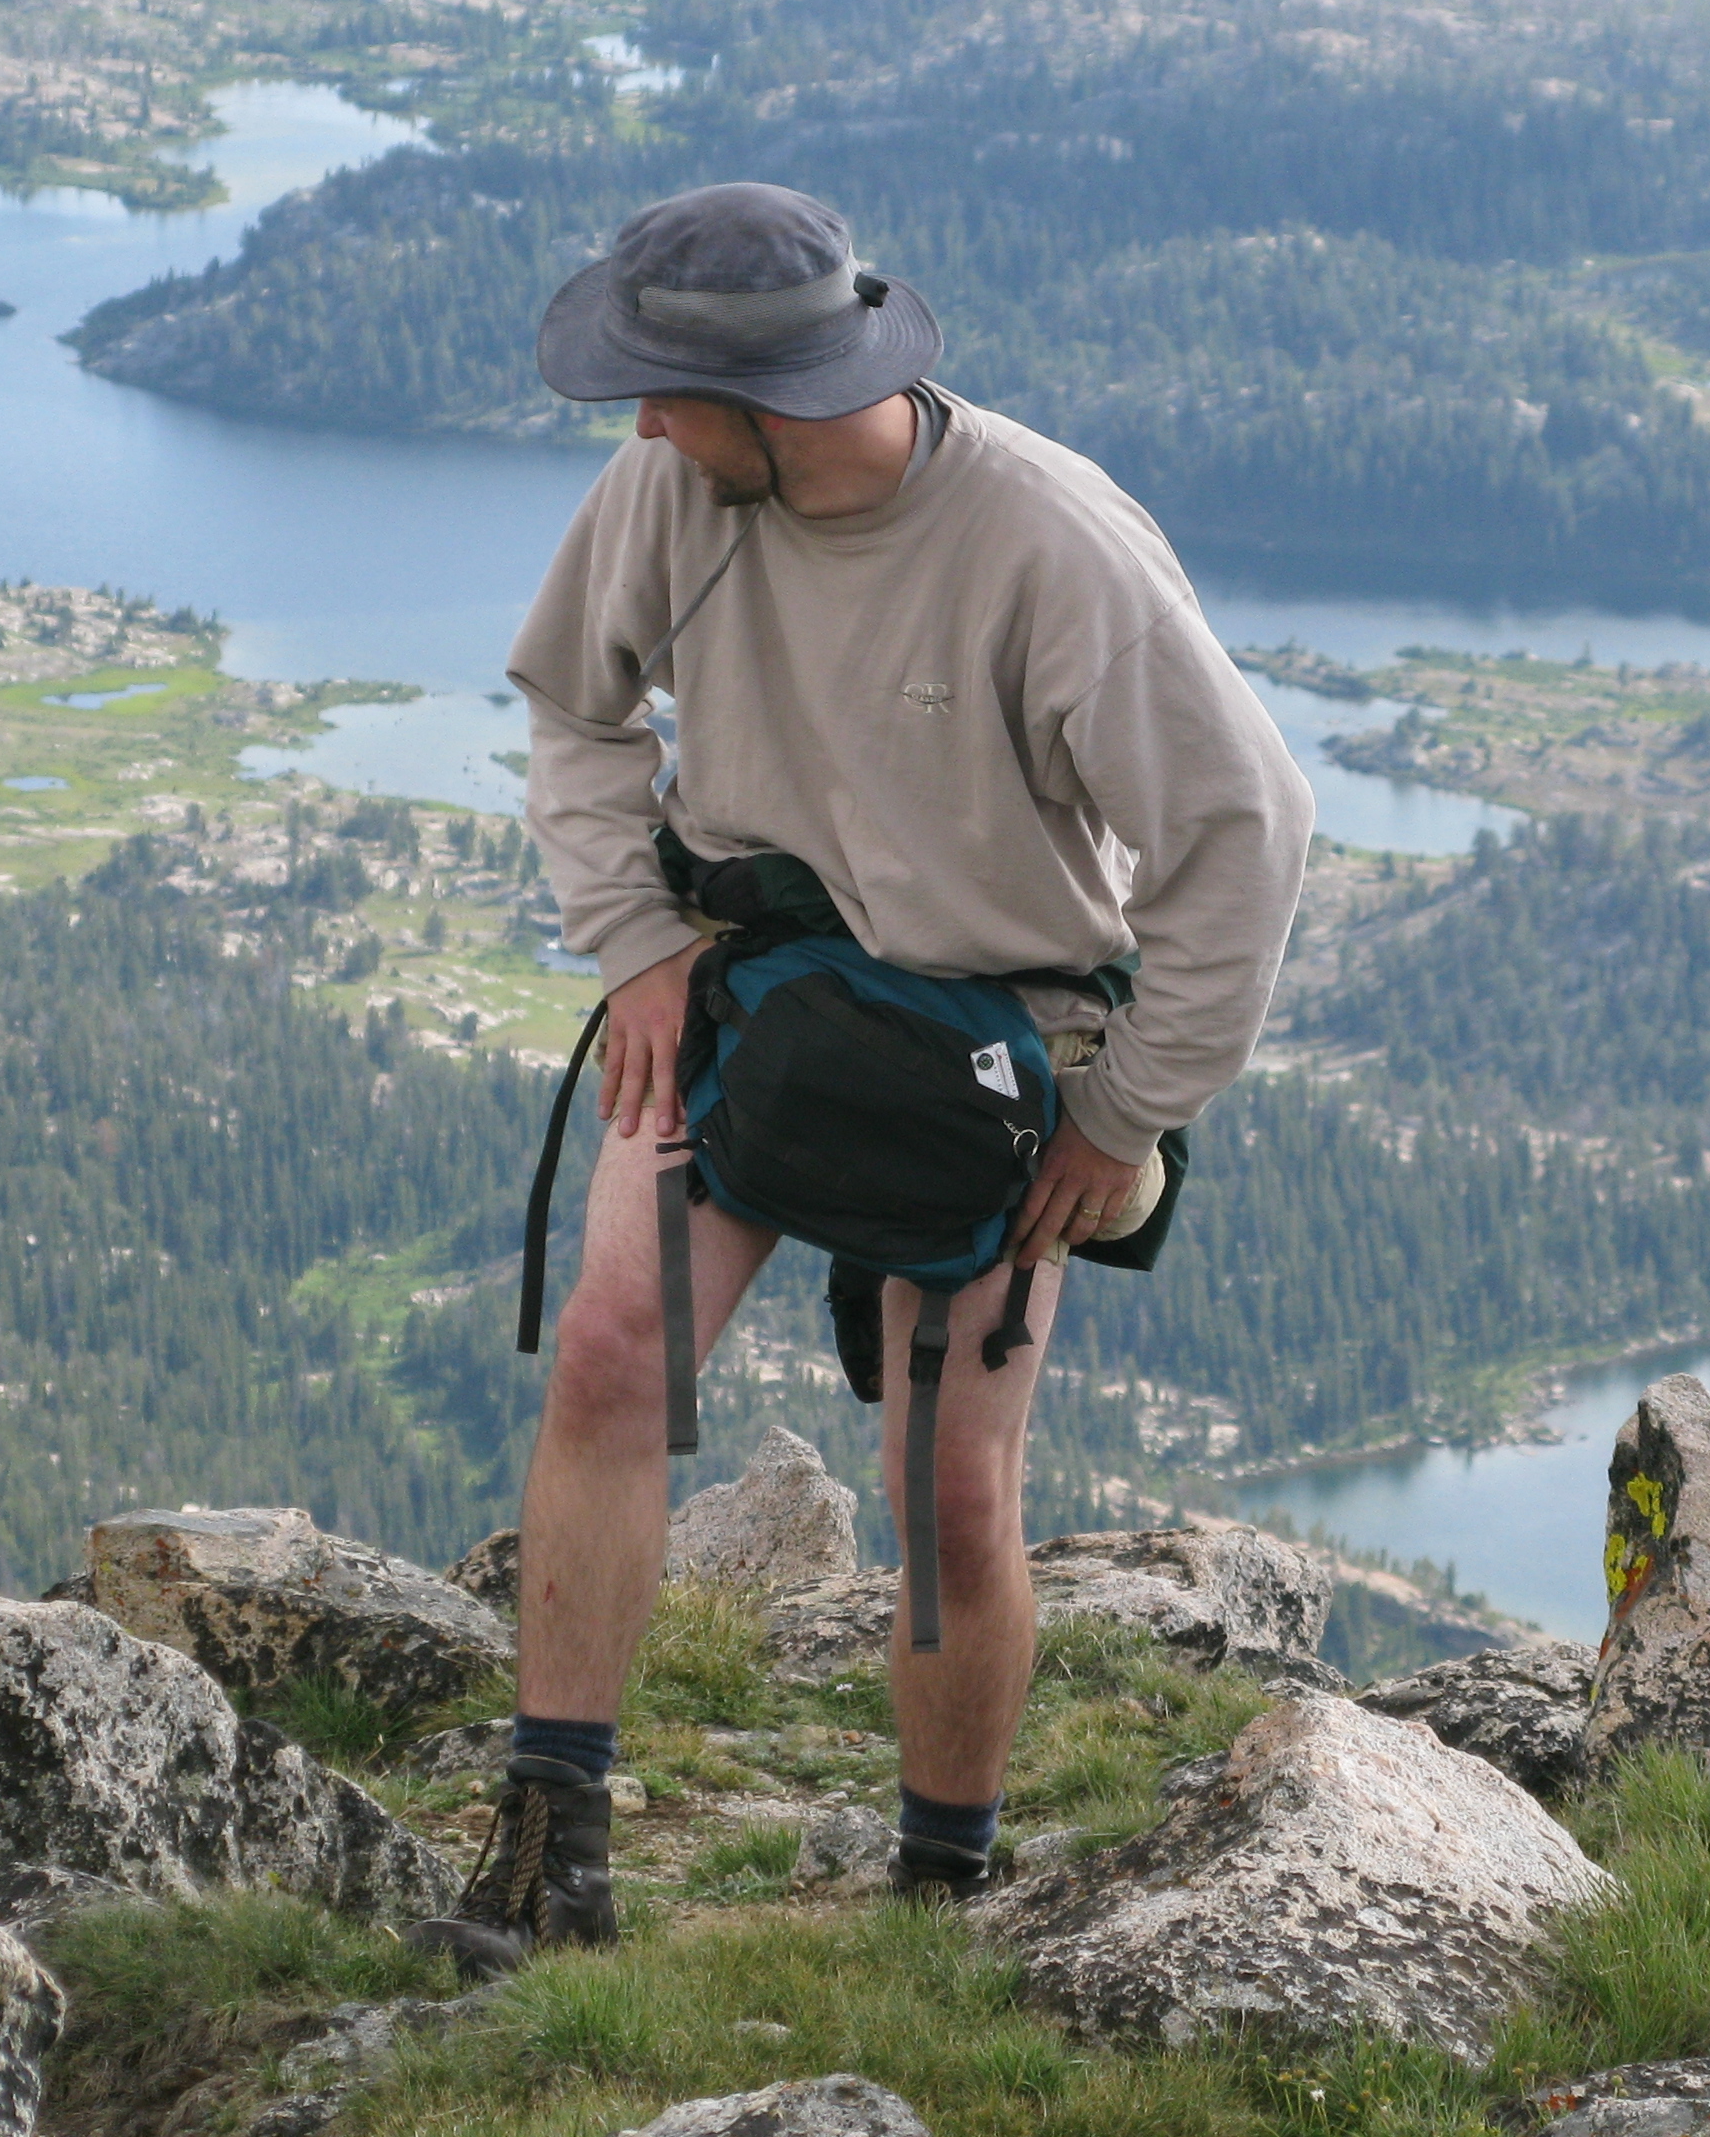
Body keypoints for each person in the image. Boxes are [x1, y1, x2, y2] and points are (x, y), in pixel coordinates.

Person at [416, 180, 1313, 1976]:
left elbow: (1243, 832)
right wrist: (640, 945)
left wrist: (1124, 1111)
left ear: (784, 403)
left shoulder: (1050, 547)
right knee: (611, 1349)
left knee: (943, 1486)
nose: (638, 424)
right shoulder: (675, 489)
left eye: (664, 393)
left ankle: (939, 1887)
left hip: (993, 1060)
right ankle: (552, 1840)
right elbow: (573, 705)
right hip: (750, 997)